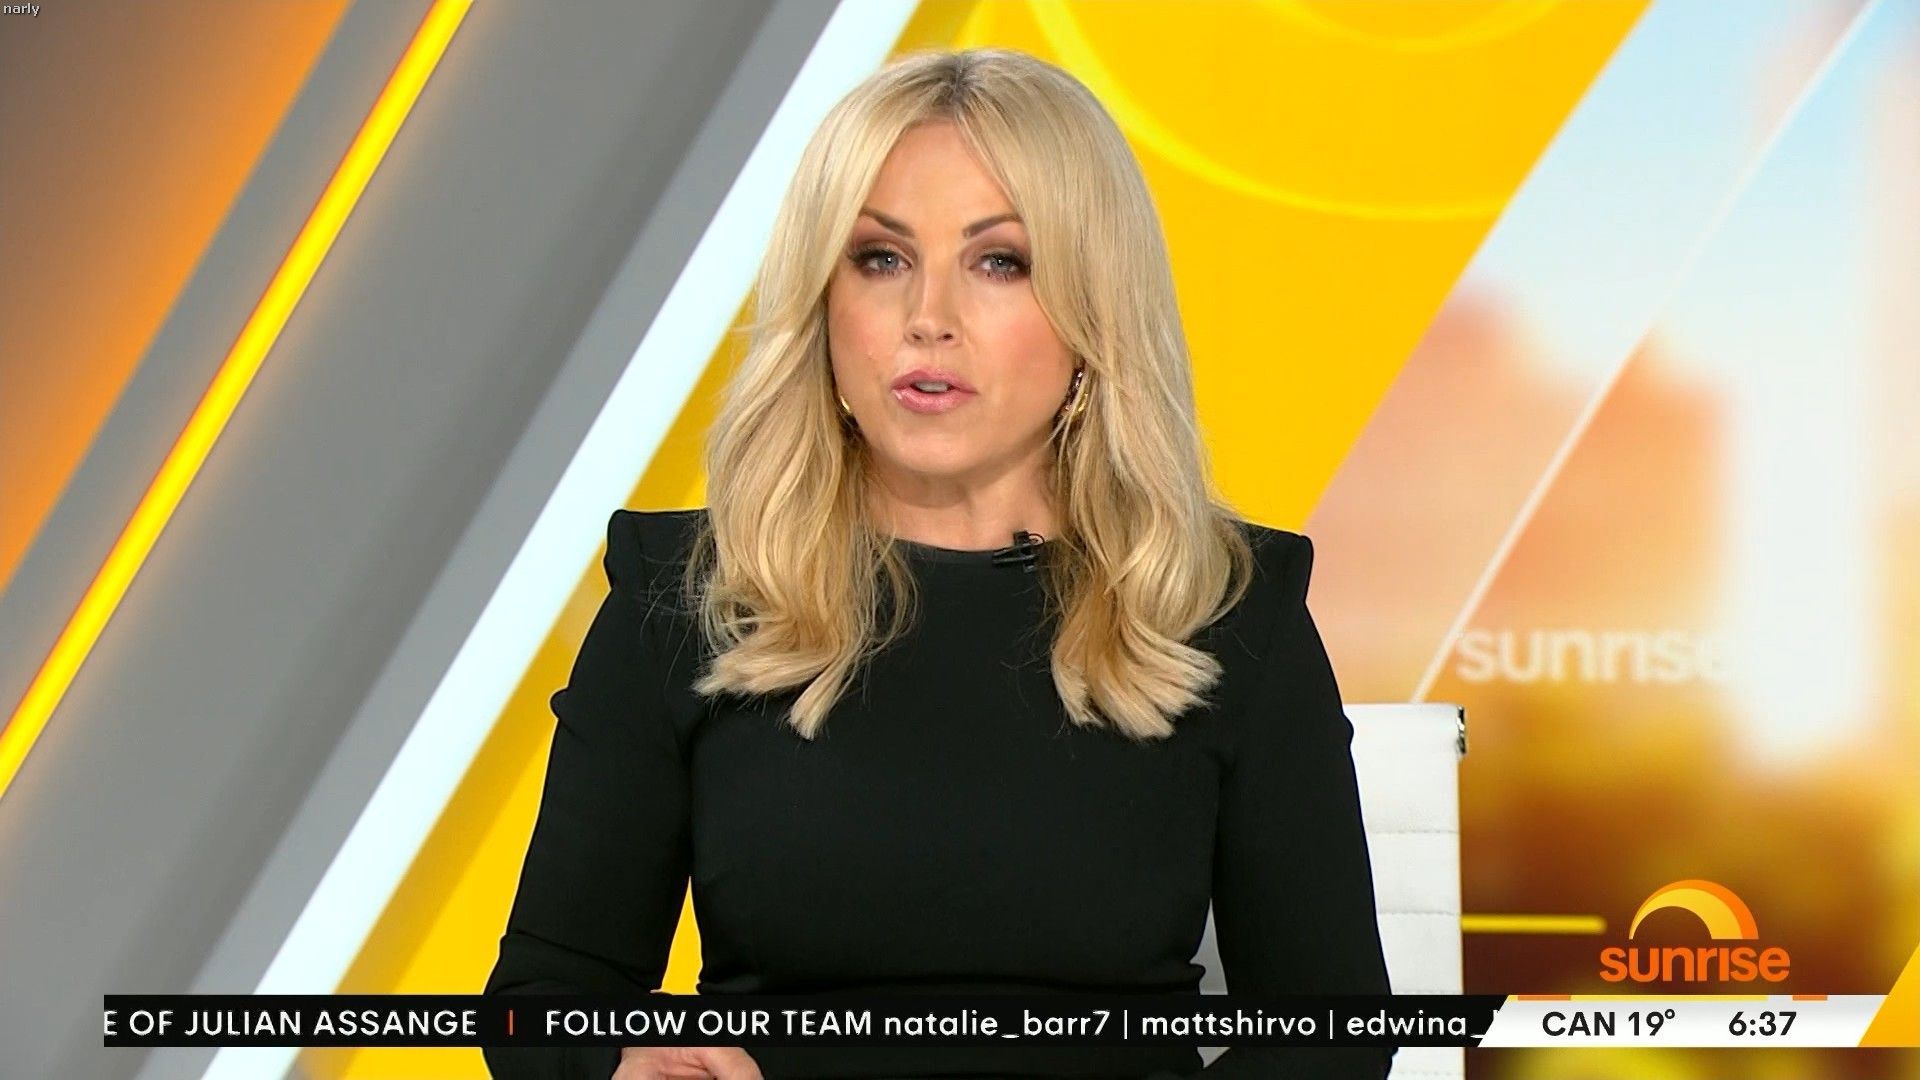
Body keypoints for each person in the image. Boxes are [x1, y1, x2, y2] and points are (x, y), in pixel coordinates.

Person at [483, 46, 1395, 1080]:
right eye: (881, 258)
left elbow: (1333, 1036)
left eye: (999, 262)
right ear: (823, 301)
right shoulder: (685, 596)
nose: (929, 318)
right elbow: (547, 996)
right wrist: (616, 1065)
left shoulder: (1223, 607)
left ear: (1094, 310)